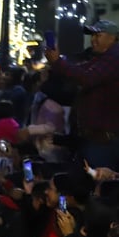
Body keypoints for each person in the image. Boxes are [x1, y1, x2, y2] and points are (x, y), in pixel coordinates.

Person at [46, 19, 119, 171]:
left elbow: (86, 77)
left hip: (104, 142)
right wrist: (57, 62)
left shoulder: (114, 57)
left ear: (112, 38)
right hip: (95, 140)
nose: (93, 40)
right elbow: (79, 71)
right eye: (92, 35)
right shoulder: (104, 58)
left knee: (96, 188)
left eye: (98, 35)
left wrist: (58, 62)